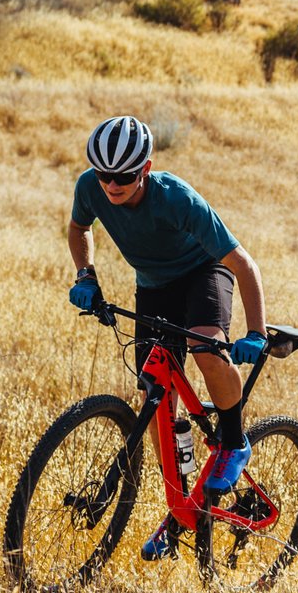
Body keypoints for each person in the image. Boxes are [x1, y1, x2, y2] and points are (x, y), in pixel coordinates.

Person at [66, 115, 269, 561]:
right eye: (103, 175)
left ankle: (234, 441)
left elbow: (244, 265)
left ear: (146, 167)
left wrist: (255, 332)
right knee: (154, 397)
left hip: (203, 273)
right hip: (154, 286)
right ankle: (182, 507)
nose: (111, 185)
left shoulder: (176, 199)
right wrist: (86, 275)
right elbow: (79, 229)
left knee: (204, 347)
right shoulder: (90, 187)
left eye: (122, 177)